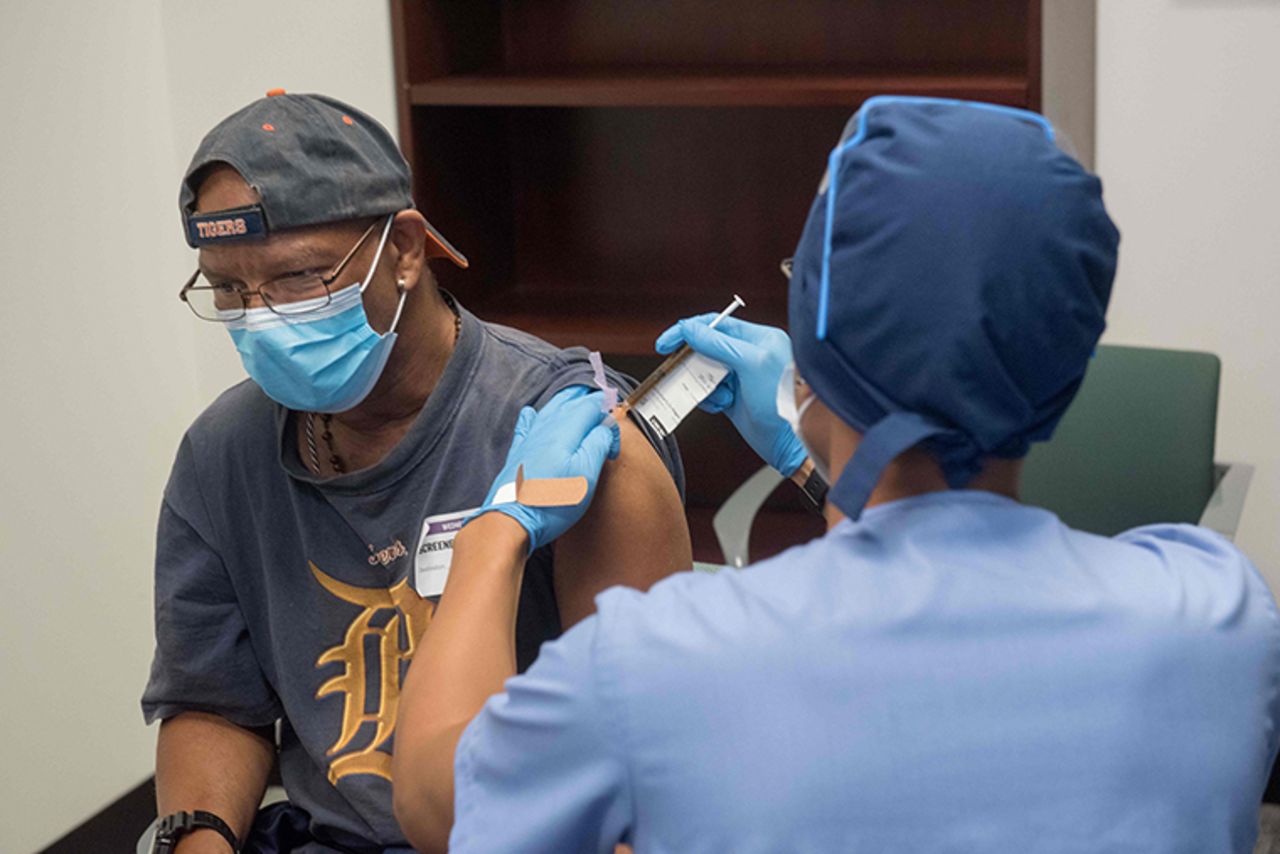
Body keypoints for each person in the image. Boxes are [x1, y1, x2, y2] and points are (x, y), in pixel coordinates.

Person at [391, 97, 1280, 853]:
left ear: (817, 340)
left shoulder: (657, 665)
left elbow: (438, 798)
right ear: (1070, 353)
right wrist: (815, 453)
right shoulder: (1214, 615)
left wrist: (495, 532)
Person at [140, 91, 691, 854]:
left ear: (404, 250)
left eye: (299, 280)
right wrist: (196, 838)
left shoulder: (570, 436)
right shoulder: (223, 453)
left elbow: (646, 757)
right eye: (229, 290)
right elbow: (213, 702)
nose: (261, 319)